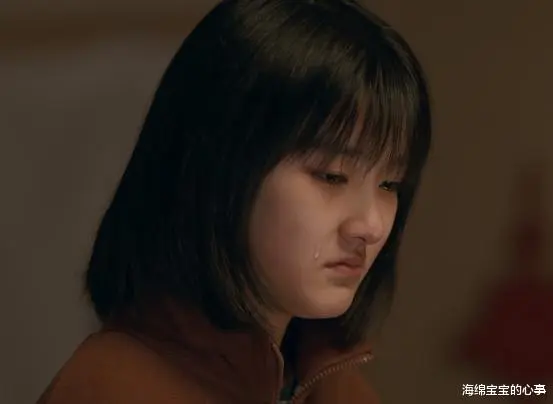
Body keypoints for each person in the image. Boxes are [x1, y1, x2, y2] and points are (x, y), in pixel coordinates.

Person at [37, 0, 431, 402]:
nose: (371, 225)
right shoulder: (111, 389)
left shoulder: (338, 387)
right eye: (332, 176)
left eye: (389, 184)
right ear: (220, 167)